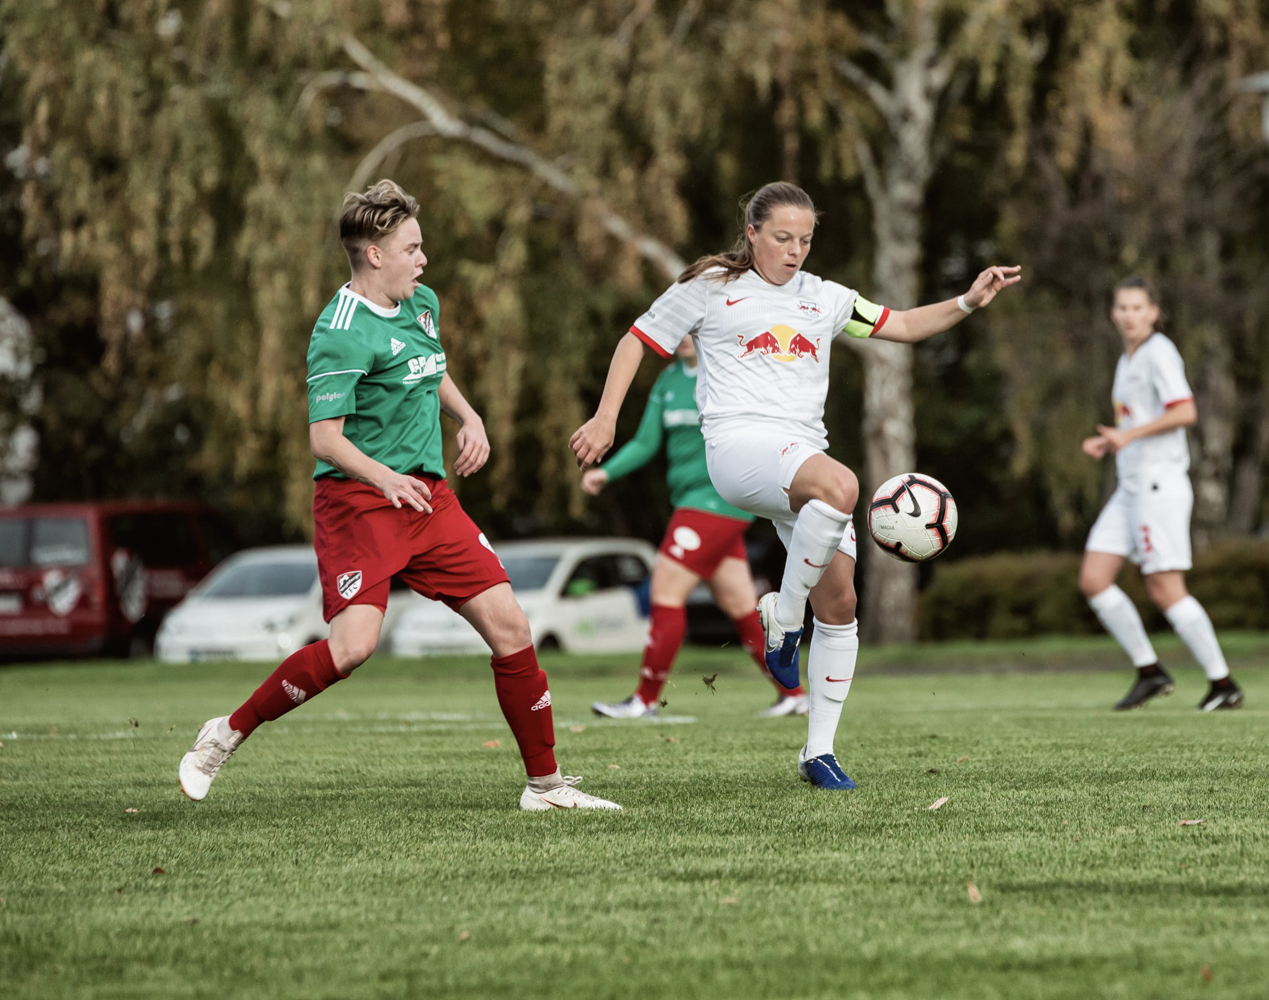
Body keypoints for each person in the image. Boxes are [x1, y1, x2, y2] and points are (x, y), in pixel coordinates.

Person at [178, 180, 617, 811]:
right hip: (359, 506)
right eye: (412, 247)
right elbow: (324, 440)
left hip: (430, 500)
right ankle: (224, 735)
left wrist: (471, 417)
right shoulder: (339, 332)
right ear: (375, 254)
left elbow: (430, 368)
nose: (423, 259)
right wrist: (383, 477)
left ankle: (545, 788)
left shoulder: (420, 302)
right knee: (353, 649)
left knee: (513, 626)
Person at [570, 182, 1020, 789]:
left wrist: (968, 301)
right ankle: (782, 616)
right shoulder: (710, 289)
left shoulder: (826, 298)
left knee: (839, 606)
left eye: (805, 240)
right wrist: (605, 418)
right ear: (752, 232)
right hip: (736, 449)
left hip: (800, 460)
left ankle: (819, 752)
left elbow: (906, 326)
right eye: (782, 237)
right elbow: (635, 340)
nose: (795, 250)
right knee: (843, 485)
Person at [581, 334, 809, 720]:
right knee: (740, 605)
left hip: (717, 501)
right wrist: (607, 473)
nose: (685, 336)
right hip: (693, 504)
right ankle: (794, 694)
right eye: (679, 327)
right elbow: (645, 441)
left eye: (694, 327)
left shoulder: (727, 374)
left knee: (665, 587)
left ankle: (645, 698)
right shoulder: (668, 381)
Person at [1078, 278, 1242, 712]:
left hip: (1159, 486)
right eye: (1122, 307)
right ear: (1114, 314)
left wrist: (1127, 436)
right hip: (1130, 488)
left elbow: (1185, 411)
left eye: (1137, 307)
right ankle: (1150, 672)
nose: (1129, 315)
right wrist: (1112, 441)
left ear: (1153, 312)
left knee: (1166, 589)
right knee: (1094, 579)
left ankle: (1223, 684)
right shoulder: (1127, 359)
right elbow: (1136, 420)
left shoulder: (1159, 352)